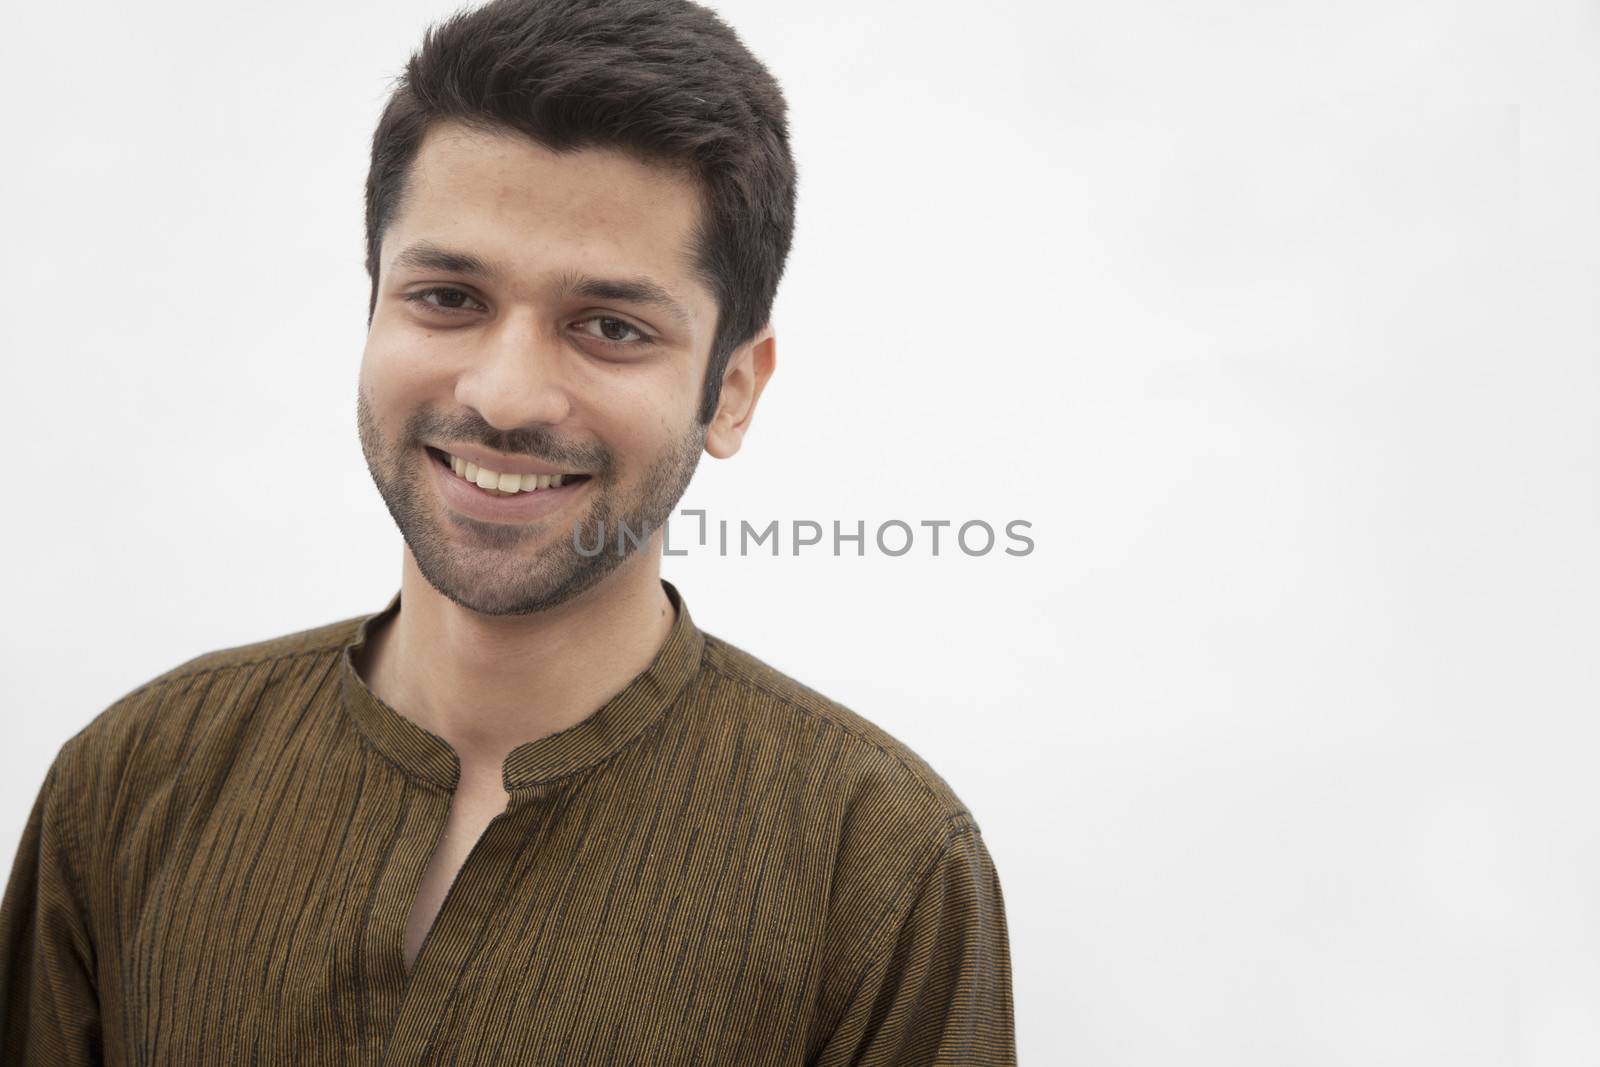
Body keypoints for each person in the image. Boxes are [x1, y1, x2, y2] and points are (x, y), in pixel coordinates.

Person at [0, 0, 1015, 1062]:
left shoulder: (880, 862)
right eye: (447, 297)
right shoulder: (132, 779)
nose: (507, 393)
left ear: (732, 392)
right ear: (372, 309)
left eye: (610, 327)